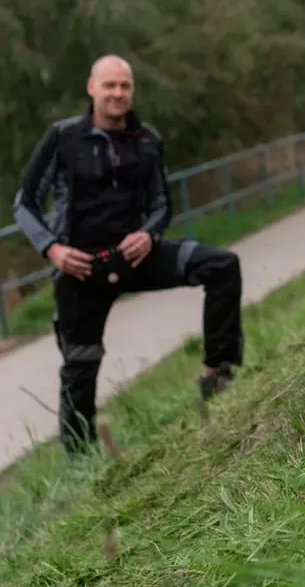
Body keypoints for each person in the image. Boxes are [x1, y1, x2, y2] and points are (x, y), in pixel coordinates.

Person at [12, 55, 244, 457]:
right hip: (79, 269)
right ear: (92, 88)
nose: (117, 93)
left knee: (222, 265)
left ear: (132, 90)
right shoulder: (63, 137)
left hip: (136, 258)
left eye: (125, 86)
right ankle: (81, 460)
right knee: (80, 365)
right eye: (109, 85)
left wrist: (149, 233)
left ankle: (217, 375)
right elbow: (25, 202)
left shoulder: (147, 139)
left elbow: (162, 204)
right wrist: (52, 248)